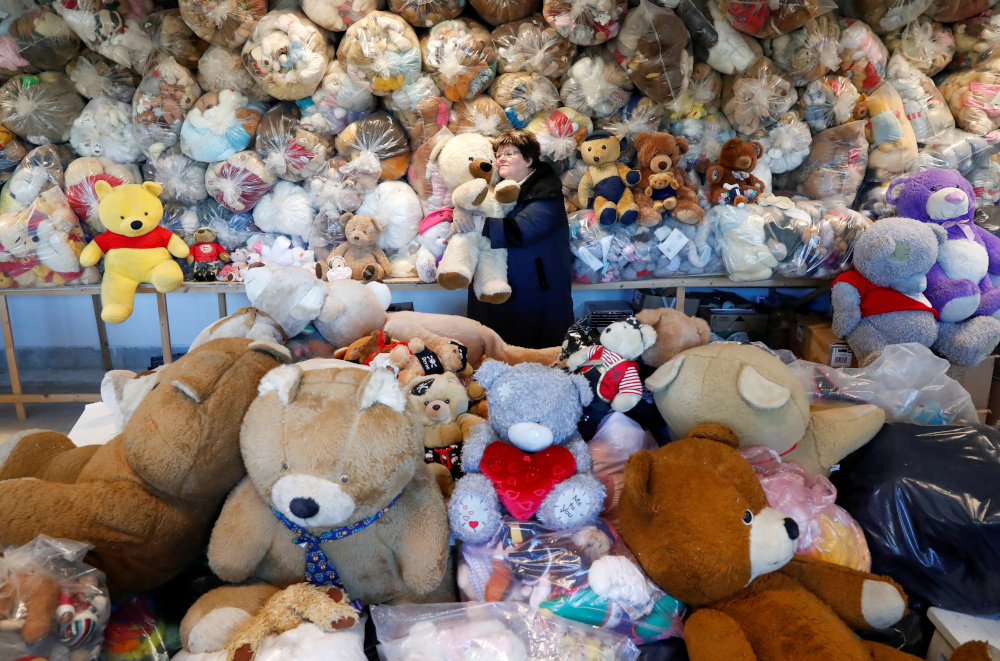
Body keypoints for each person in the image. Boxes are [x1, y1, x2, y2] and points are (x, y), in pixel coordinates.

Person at [465, 129, 574, 349]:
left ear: (529, 160)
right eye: (498, 155)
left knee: (533, 351)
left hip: (536, 287)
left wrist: (476, 223)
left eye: (510, 153)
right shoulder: (499, 189)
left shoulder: (545, 192)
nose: (501, 159)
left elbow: (522, 230)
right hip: (506, 284)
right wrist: (461, 211)